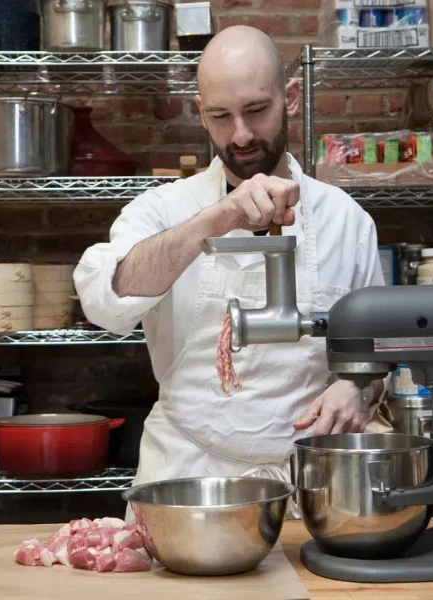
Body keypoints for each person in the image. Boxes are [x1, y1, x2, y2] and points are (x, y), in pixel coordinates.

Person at [73, 26, 391, 518]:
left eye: (256, 111)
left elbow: (378, 352)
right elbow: (103, 301)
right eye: (221, 116)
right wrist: (216, 220)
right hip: (187, 479)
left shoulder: (346, 220)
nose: (240, 134)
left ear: (290, 98)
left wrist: (357, 386)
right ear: (201, 112)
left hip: (314, 484)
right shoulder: (163, 209)